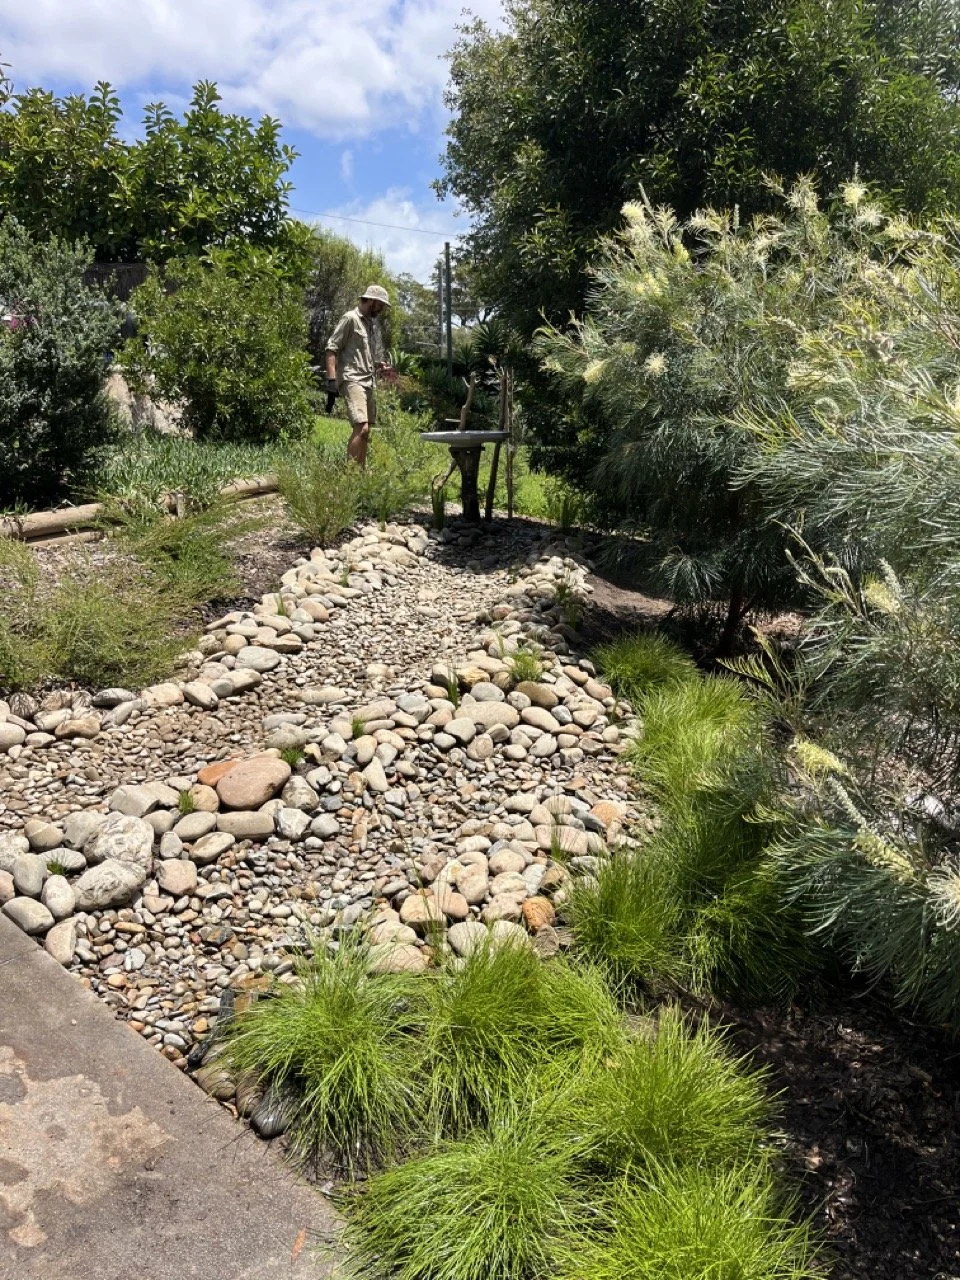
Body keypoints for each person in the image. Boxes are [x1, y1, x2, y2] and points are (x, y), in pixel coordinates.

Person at [325, 284, 392, 468]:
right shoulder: (350, 319)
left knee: (366, 432)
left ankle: (360, 476)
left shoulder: (369, 324)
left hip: (368, 381)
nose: (382, 309)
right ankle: (351, 476)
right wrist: (331, 380)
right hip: (352, 379)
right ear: (371, 301)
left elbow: (362, 354)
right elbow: (332, 348)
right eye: (381, 305)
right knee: (362, 427)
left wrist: (379, 366)